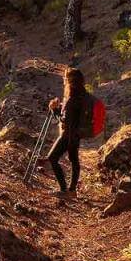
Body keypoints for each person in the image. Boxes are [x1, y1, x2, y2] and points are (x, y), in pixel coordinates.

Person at [46, 67, 87, 195]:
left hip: (67, 135)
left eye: (65, 78)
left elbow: (64, 120)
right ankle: (72, 190)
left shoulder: (71, 99)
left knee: (52, 158)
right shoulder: (82, 95)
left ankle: (64, 189)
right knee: (74, 160)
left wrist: (54, 110)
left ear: (70, 81)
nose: (64, 80)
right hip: (76, 134)